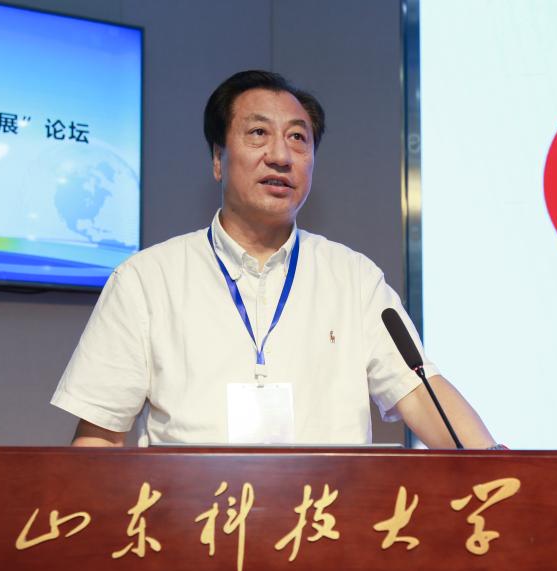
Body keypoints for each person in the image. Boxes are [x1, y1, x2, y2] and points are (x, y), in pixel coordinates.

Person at [51, 70, 495, 449]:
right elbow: (100, 435)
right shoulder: (146, 279)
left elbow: (419, 392)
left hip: (328, 517)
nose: (281, 156)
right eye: (258, 134)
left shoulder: (354, 278)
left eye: (298, 138)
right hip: (191, 520)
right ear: (218, 159)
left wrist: (502, 470)